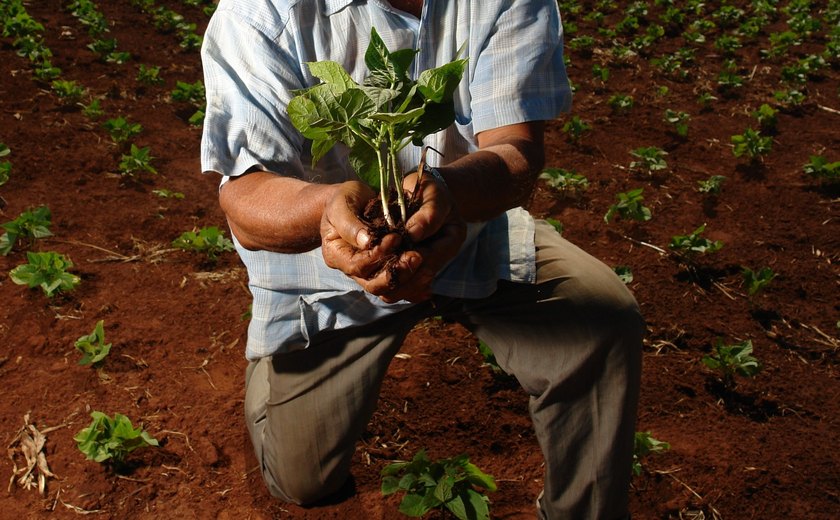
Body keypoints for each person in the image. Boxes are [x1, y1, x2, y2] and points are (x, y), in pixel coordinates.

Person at [200, 0, 643, 518]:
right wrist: (329, 209)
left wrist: (448, 191)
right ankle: (274, 377)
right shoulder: (261, 12)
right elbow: (246, 201)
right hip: (328, 267)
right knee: (303, 479)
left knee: (601, 318)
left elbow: (517, 150)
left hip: (466, 230)